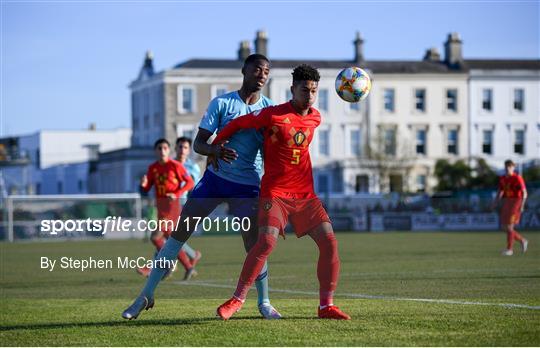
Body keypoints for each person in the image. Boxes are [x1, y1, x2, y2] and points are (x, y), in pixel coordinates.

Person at [122, 54, 281, 320]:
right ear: (244, 71)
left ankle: (264, 302)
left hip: (248, 186)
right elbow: (199, 144)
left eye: (266, 71)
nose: (262, 75)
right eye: (257, 70)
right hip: (215, 181)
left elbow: (269, 152)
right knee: (177, 236)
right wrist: (216, 150)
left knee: (254, 245)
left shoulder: (269, 110)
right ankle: (145, 295)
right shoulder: (222, 103)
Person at [214, 64, 351, 320]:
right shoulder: (273, 115)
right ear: (292, 89)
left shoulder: (316, 117)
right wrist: (217, 143)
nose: (309, 95)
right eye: (304, 89)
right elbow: (239, 123)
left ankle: (326, 306)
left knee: (330, 243)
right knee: (265, 242)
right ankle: (237, 299)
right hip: (275, 193)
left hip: (305, 196)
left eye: (313, 90)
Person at [136, 139, 195, 280]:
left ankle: (167, 265)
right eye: (159, 148)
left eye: (165, 148)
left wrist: (176, 194)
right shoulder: (153, 168)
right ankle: (188, 267)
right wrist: (143, 185)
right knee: (171, 242)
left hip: (172, 208)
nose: (162, 151)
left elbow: (190, 182)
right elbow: (145, 189)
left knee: (155, 237)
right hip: (161, 208)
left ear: (169, 150)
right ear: (155, 151)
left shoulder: (175, 166)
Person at [494, 160, 528, 256]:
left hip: (516, 202)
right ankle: (522, 240)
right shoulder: (503, 178)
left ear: (513, 167)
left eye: (510, 166)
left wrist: (522, 204)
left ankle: (510, 249)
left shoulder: (517, 178)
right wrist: (495, 203)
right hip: (507, 202)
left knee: (509, 226)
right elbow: (500, 192)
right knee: (504, 227)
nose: (508, 168)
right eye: (506, 166)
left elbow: (524, 192)